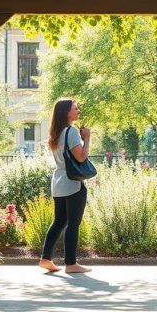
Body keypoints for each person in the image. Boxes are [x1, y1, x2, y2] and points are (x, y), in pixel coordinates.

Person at [39, 98, 92, 274]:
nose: (78, 111)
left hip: (58, 181)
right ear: (67, 112)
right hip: (73, 183)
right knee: (73, 224)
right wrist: (87, 138)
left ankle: (46, 258)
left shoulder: (56, 132)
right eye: (76, 108)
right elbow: (81, 157)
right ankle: (71, 264)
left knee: (59, 221)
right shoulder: (72, 132)